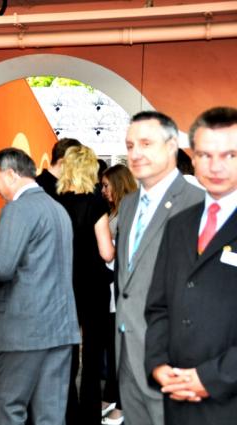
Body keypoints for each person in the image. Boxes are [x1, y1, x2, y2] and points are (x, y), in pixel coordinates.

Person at [145, 106, 237, 425]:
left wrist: (210, 379)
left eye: (229, 155)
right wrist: (158, 365)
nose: (216, 166)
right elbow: (158, 306)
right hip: (178, 398)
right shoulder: (179, 225)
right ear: (192, 159)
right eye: (205, 155)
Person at [115, 111, 204, 425]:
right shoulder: (127, 205)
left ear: (171, 146)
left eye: (145, 143)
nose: (135, 153)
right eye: (130, 146)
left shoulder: (198, 203)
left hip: (173, 359)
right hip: (127, 352)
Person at [0, 147, 80, 425]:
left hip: (21, 330)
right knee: (50, 415)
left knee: (5, 405)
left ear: (11, 175)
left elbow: (1, 268)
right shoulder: (58, 209)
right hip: (60, 329)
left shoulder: (17, 210)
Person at [56, 145, 115, 425]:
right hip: (93, 284)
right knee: (92, 352)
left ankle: (67, 412)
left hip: (63, 284)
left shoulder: (55, 201)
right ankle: (89, 414)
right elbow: (106, 253)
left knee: (67, 351)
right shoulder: (95, 203)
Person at [100, 164, 137, 425]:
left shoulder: (127, 213)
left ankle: (122, 403)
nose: (103, 190)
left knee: (122, 349)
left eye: (106, 185)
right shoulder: (114, 211)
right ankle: (112, 396)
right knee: (113, 347)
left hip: (121, 287)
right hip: (112, 287)